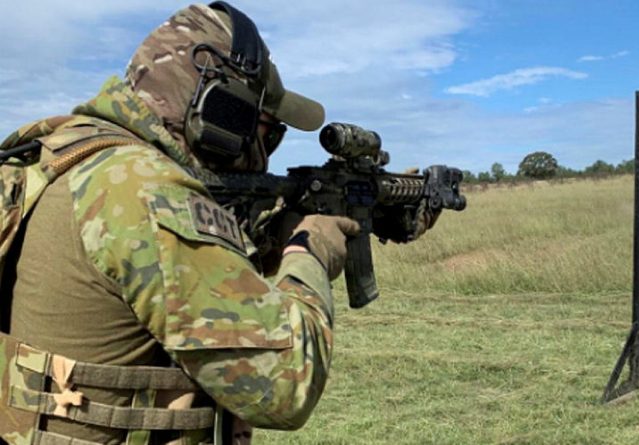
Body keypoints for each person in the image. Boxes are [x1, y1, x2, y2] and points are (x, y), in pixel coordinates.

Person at [0, 2, 388, 444]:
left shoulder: (65, 155)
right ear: (221, 112)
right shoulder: (142, 190)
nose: (267, 149)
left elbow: (154, 283)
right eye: (268, 130)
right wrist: (307, 254)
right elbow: (283, 387)